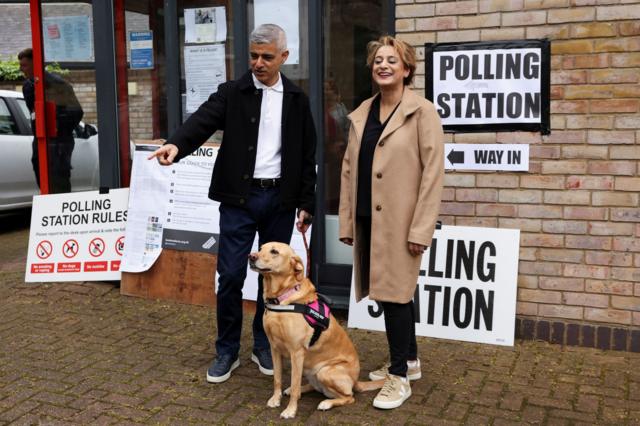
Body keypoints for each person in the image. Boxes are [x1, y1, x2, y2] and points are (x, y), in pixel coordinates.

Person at [149, 24, 316, 384]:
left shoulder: (297, 100)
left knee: (271, 278)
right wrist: (176, 145)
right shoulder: (232, 92)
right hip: (239, 201)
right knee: (231, 276)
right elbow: (202, 121)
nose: (258, 63)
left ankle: (261, 343)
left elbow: (307, 154)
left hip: (280, 200)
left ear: (283, 58)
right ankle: (226, 350)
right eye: (254, 56)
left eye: (267, 57)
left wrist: (307, 202)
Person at [338, 35, 444, 410]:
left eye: (392, 61)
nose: (383, 65)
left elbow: (433, 174)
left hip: (401, 222)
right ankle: (409, 361)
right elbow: (349, 169)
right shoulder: (362, 113)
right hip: (370, 219)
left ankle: (399, 377)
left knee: (396, 296)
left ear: (407, 69)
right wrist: (348, 223)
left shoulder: (423, 112)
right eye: (378, 61)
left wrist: (420, 229)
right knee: (392, 293)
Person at [19, 48, 83, 194]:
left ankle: (61, 210)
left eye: (25, 65)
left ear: (36, 64)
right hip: (40, 139)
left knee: (59, 179)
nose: (21, 69)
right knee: (40, 173)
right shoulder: (28, 86)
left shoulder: (58, 84)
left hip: (58, 141)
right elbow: (34, 112)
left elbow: (77, 112)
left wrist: (56, 127)